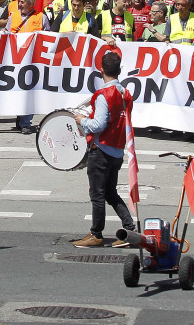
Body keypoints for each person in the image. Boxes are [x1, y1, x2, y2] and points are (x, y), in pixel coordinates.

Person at [71, 52, 136, 247]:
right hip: (117, 149)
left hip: (101, 149)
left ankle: (96, 234)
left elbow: (99, 125)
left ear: (101, 71)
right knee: (110, 192)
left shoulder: (103, 95)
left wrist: (83, 121)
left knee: (97, 194)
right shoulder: (125, 93)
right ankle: (130, 229)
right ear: (119, 70)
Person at [5, 0, 49, 134]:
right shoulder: (13, 17)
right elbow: (5, 35)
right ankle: (20, 117)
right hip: (16, 61)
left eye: (22, 2)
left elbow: (49, 38)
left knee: (29, 91)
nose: (19, 4)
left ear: (30, 4)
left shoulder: (41, 17)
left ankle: (25, 122)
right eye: (19, 1)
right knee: (18, 91)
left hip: (33, 63)